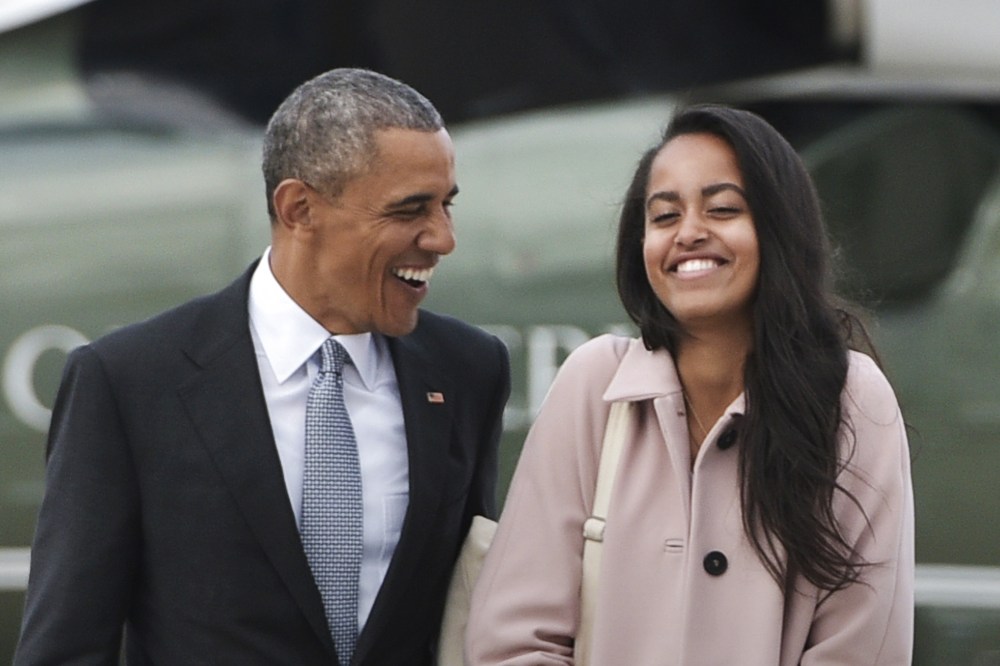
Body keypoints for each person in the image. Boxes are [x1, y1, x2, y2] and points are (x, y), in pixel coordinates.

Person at [15, 68, 510, 665]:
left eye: (446, 205)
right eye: (410, 210)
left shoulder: (467, 370)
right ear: (299, 208)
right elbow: (66, 646)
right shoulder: (130, 381)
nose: (442, 238)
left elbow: (468, 608)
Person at [466, 104, 913, 664]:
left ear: (779, 228)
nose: (690, 234)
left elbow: (862, 648)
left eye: (723, 209)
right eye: (664, 216)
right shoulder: (593, 384)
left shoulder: (851, 397)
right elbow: (513, 641)